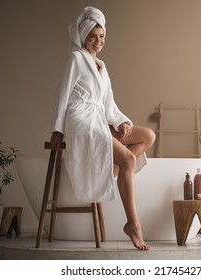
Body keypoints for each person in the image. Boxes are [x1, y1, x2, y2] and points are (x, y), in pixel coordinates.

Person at [50, 6, 155, 250]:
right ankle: (134, 224)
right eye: (92, 37)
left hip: (100, 118)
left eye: (102, 37)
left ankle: (109, 171)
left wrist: (121, 121)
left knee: (147, 135)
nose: (98, 42)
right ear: (83, 37)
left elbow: (108, 102)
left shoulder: (102, 66)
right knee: (129, 159)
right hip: (82, 119)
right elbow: (61, 95)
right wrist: (57, 129)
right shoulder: (76, 58)